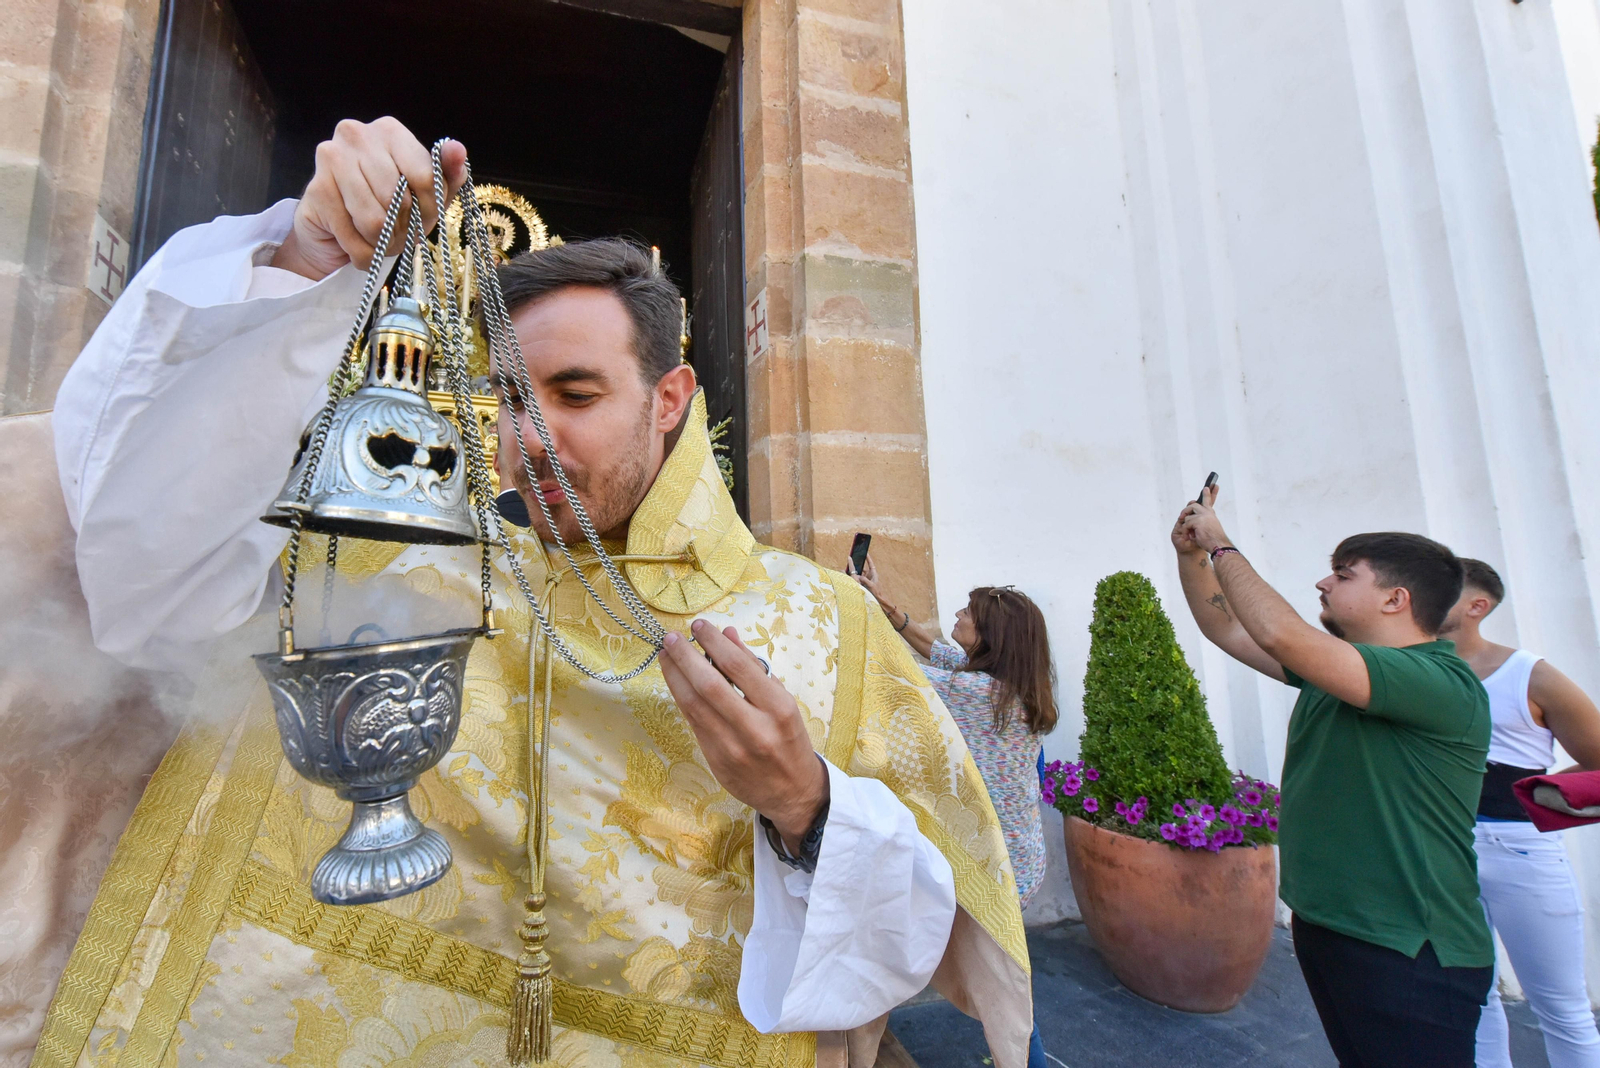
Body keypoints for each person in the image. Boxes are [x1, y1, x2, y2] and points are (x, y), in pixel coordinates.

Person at [35, 117, 1035, 1068]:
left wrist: (806, 806)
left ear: (671, 399)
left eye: (576, 394)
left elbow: (924, 944)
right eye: (511, 397)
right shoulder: (387, 558)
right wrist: (302, 260)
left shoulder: (827, 632)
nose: (531, 437)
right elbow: (142, 575)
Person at [1172, 484, 1492, 1068]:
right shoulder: (1337, 672)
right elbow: (1231, 631)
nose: (1323, 583)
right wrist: (1192, 554)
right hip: (1332, 928)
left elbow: (1279, 633)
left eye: (1343, 575)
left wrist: (1222, 546)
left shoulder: (1440, 682)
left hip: (1408, 948)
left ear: (1396, 599)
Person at [851, 563, 1058, 1068]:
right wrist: (887, 605)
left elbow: (897, 669)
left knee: (997, 986)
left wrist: (852, 610)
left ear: (991, 637)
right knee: (1003, 977)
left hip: (987, 866)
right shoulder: (1013, 688)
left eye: (969, 613)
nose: (959, 615)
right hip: (1016, 860)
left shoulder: (972, 694)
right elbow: (938, 650)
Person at [1439, 559, 1600, 1068]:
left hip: (1522, 851)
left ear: (1476, 606)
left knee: (1562, 1008)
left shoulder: (1530, 673)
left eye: (1443, 587)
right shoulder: (1416, 666)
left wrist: (1538, 793)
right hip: (1444, 849)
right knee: (1475, 1000)